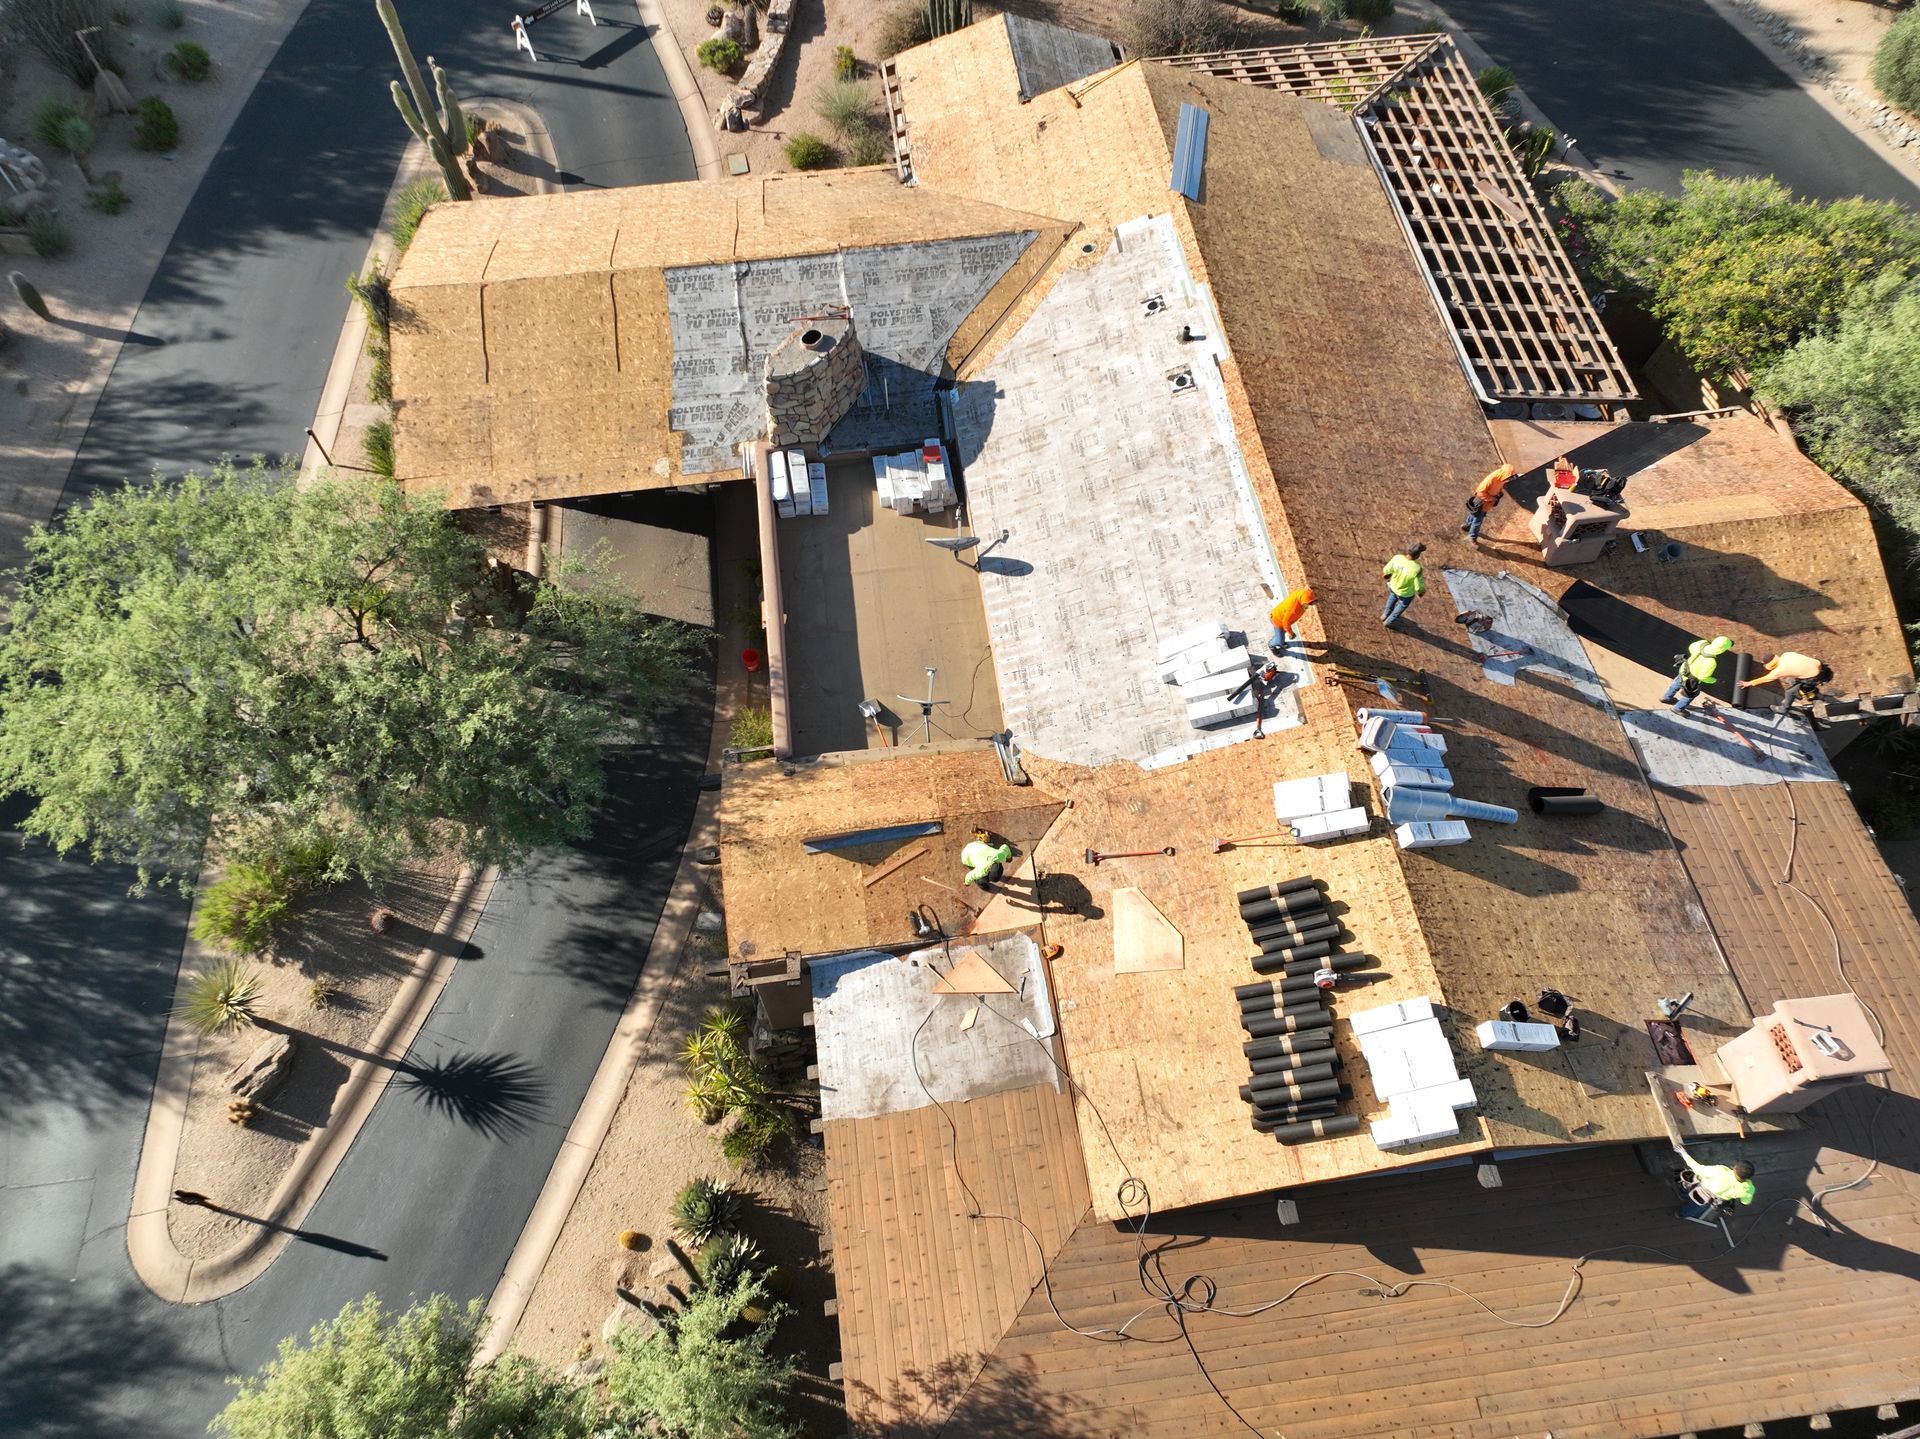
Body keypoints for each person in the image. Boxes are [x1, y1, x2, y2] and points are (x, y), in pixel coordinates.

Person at [1740, 651, 1832, 716]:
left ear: (1771, 664)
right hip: (1820, 666)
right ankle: (1804, 688)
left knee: (1789, 692)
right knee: (1793, 679)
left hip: (1814, 678)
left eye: (1765, 664)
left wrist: (1749, 683)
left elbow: (1768, 678)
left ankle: (1783, 709)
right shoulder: (1786, 655)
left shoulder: (1780, 670)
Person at [1662, 635, 1733, 713]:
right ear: (1722, 650)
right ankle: (1678, 708)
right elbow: (1703, 677)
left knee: (1676, 683)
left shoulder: (1702, 643)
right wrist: (1715, 681)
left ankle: (1666, 697)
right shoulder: (1711, 662)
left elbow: (1691, 647)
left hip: (1684, 670)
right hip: (1692, 679)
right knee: (1690, 695)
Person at [1677, 1157, 1756, 1222]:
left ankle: (1682, 1195)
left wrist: (1683, 1153)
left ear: (1735, 1169)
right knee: (1696, 1207)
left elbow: (1698, 1169)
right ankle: (1681, 1214)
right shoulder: (1749, 1189)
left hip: (1699, 1187)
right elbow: (1745, 1203)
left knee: (1693, 1179)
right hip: (1709, 1199)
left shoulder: (1722, 1171)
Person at [1463, 464, 1515, 541]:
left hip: (1487, 503)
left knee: (1474, 514)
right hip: (1481, 502)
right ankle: (1472, 536)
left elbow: (1499, 486)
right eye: (1509, 477)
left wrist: (1499, 492)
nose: (1510, 479)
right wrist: (1491, 498)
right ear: (1505, 474)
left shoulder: (1502, 478)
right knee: (1478, 519)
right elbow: (1480, 492)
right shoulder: (1491, 479)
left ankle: (1468, 525)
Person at [1381, 544, 1426, 628]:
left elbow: (1386, 570)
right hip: (1406, 593)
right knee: (1401, 606)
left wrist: (1386, 575)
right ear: (1417, 555)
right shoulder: (1417, 568)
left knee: (1392, 597)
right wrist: (1421, 592)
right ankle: (1389, 621)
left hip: (1393, 586)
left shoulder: (1397, 558)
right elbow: (1418, 585)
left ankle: (1385, 614)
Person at [1268, 585, 1315, 655]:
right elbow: (1285, 623)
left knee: (1282, 633)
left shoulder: (1301, 594)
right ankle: (1271, 645)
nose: (1311, 604)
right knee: (1279, 640)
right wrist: (1291, 634)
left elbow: (1308, 590)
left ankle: (1280, 638)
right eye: (1310, 603)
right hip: (1278, 621)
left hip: (1281, 617)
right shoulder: (1293, 610)